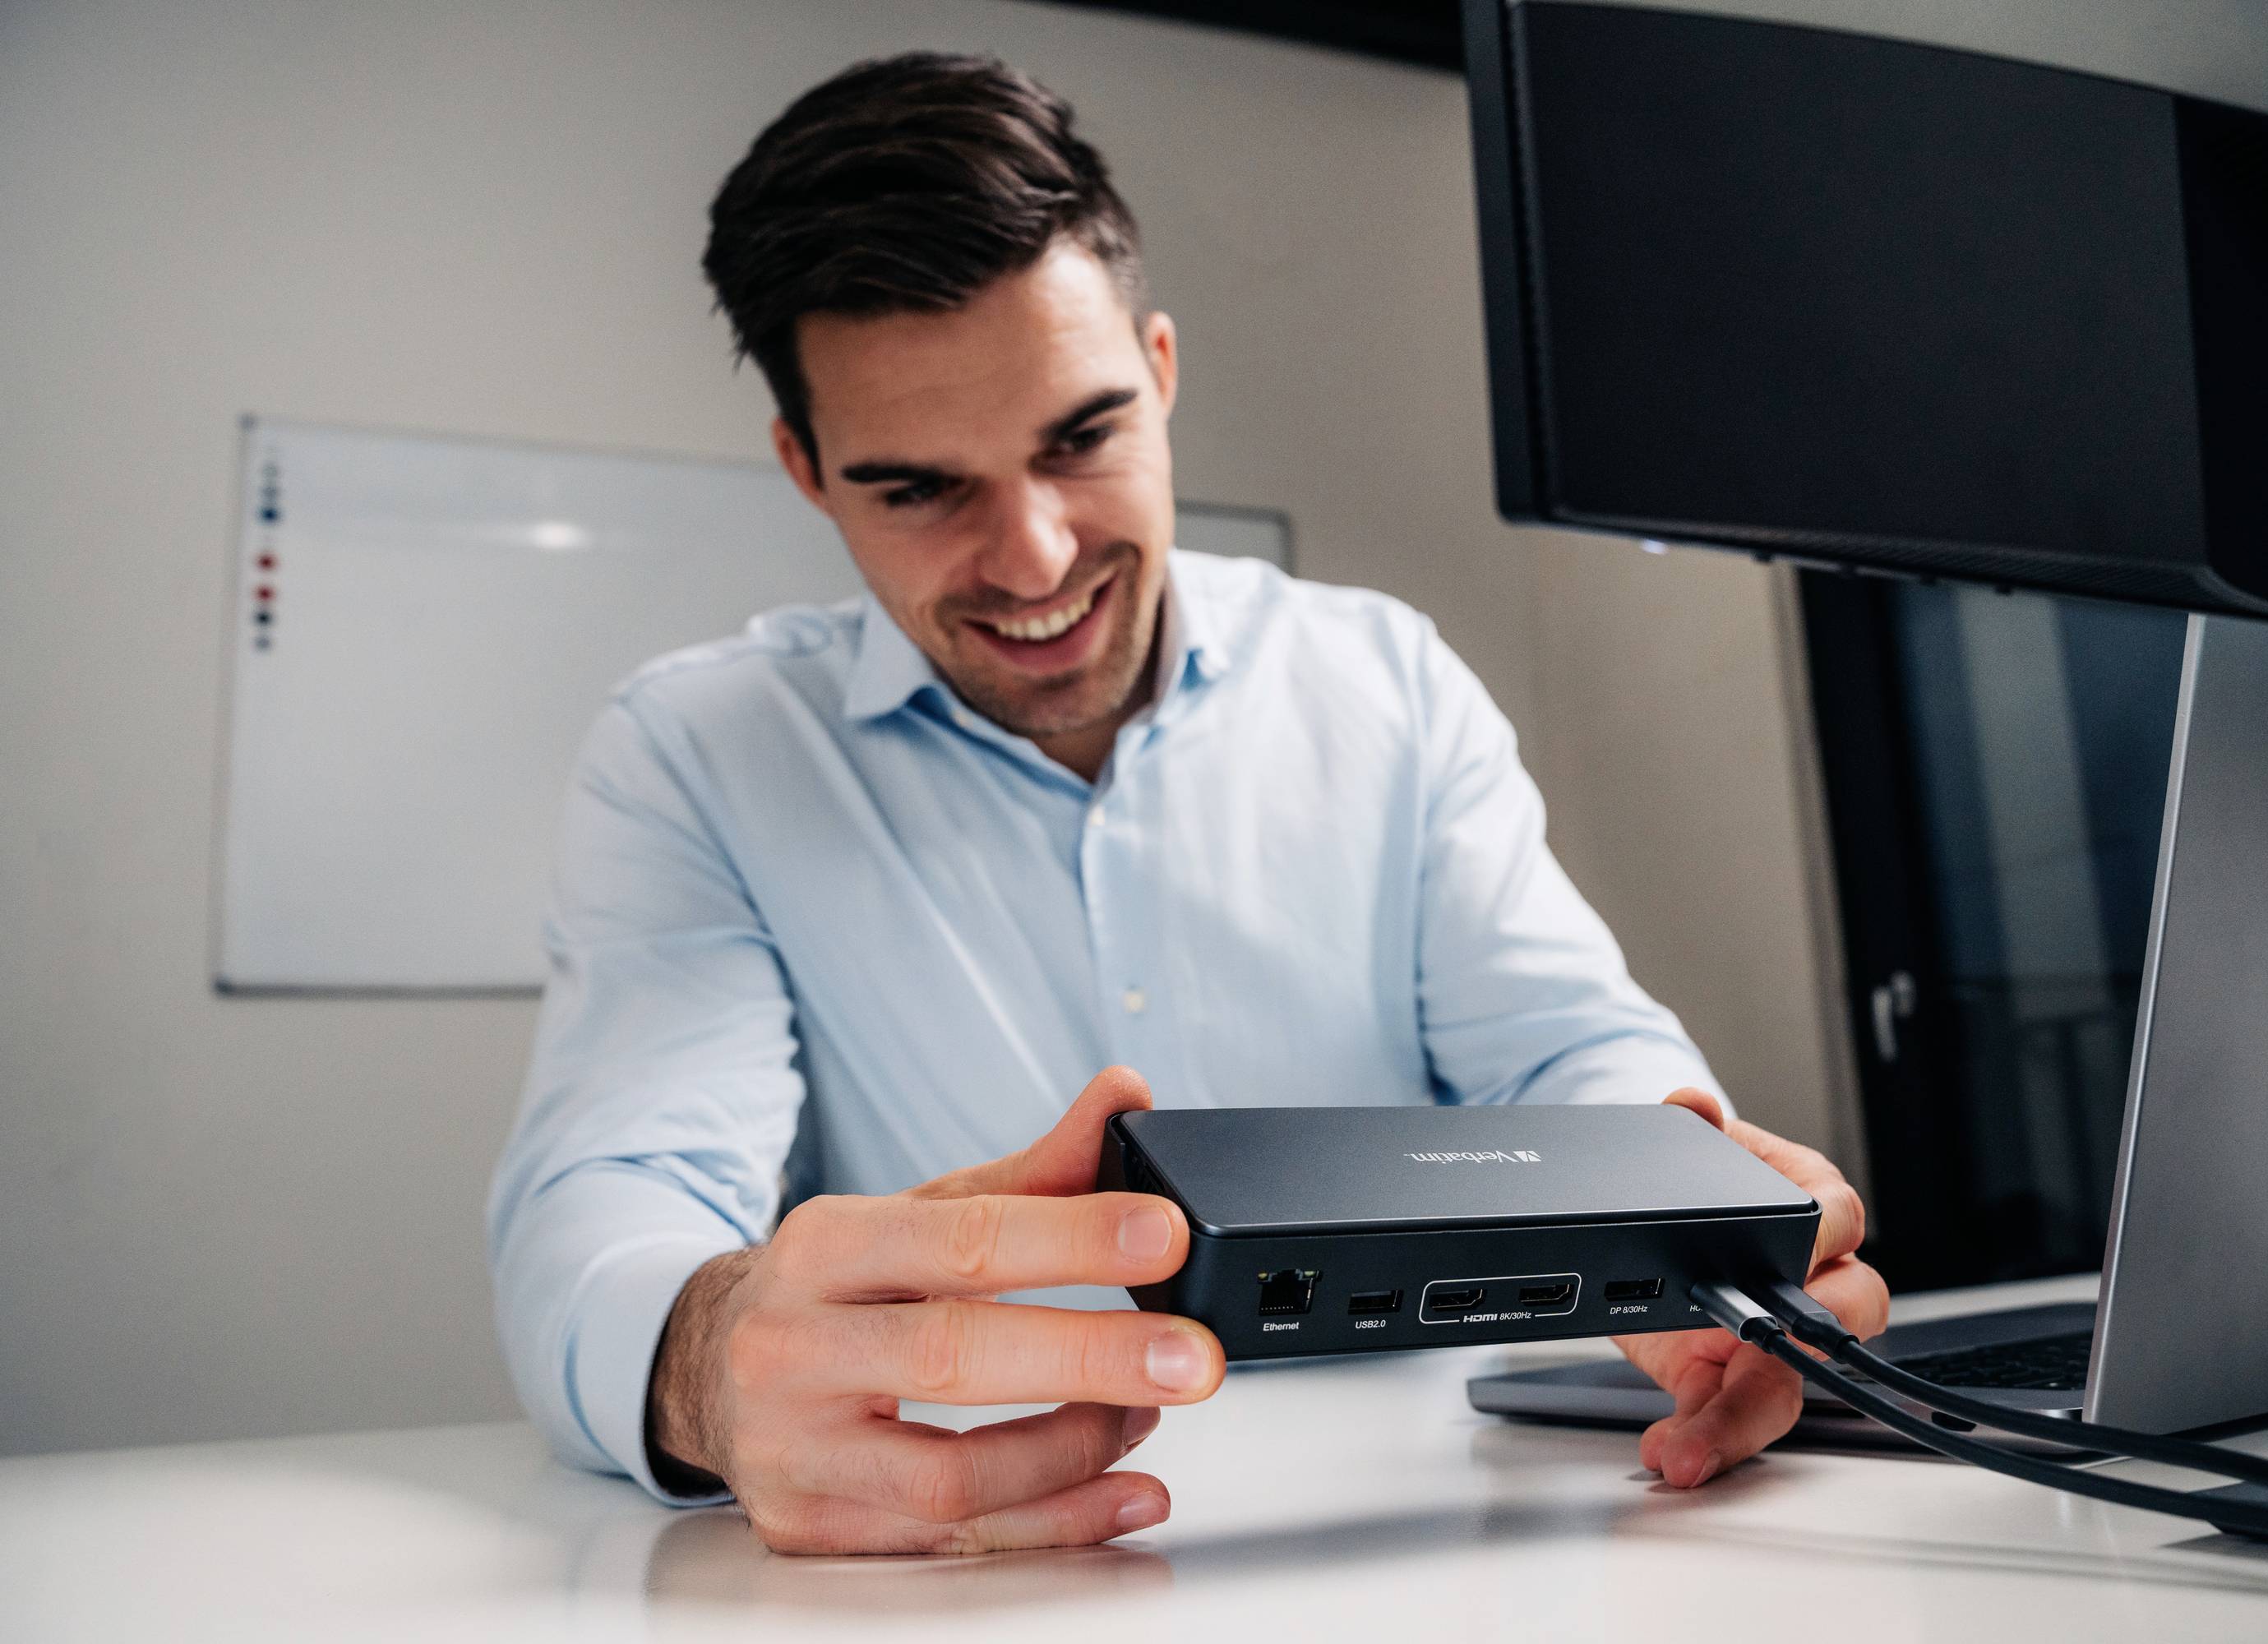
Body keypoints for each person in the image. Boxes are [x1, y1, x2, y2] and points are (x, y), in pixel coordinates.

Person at [487, 50, 1886, 1557]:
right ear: (807, 470)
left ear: (1158, 372)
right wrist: (709, 1360)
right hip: (983, 1560)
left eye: (1080, 439)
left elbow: (1563, 1051)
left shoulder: (1384, 681)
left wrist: (1691, 1213)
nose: (1033, 560)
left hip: (1439, 1526)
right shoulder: (696, 754)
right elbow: (616, 1199)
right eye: (920, 489)